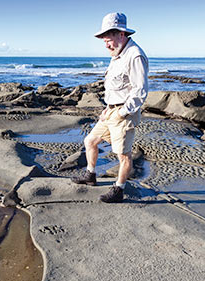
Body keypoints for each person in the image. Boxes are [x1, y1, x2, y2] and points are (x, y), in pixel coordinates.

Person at [72, 12, 149, 203]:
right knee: (90, 141)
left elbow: (140, 91)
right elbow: (117, 85)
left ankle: (119, 190)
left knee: (123, 155)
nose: (106, 45)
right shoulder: (117, 54)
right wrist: (108, 108)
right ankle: (90, 175)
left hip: (124, 112)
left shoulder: (135, 55)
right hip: (111, 110)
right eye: (104, 41)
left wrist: (122, 113)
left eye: (108, 40)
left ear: (121, 34)